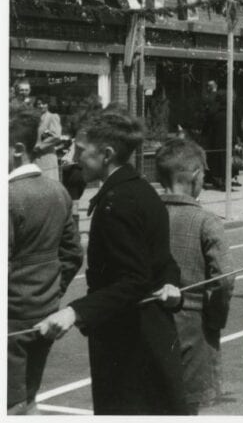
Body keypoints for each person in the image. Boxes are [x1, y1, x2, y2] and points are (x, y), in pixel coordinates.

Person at [33, 108, 188, 414]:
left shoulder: (118, 202)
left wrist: (74, 313)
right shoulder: (140, 190)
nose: (74, 158)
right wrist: (170, 281)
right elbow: (161, 260)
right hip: (148, 338)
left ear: (106, 154)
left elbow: (133, 279)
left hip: (129, 345)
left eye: (81, 150)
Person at [8, 108, 84, 415]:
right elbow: (73, 254)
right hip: (43, 312)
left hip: (10, 321)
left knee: (11, 405)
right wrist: (50, 292)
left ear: (16, 150)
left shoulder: (9, 197)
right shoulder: (58, 192)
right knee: (29, 398)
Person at [155, 138, 234, 414]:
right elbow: (223, 278)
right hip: (194, 326)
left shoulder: (144, 215)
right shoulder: (205, 221)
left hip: (150, 323)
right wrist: (214, 318)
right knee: (187, 406)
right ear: (197, 176)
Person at [34, 95, 63, 182]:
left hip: (47, 156)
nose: (41, 106)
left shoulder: (52, 117)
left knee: (48, 182)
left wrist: (39, 146)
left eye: (44, 103)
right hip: (35, 158)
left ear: (47, 105)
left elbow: (56, 135)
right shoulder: (35, 119)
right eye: (39, 104)